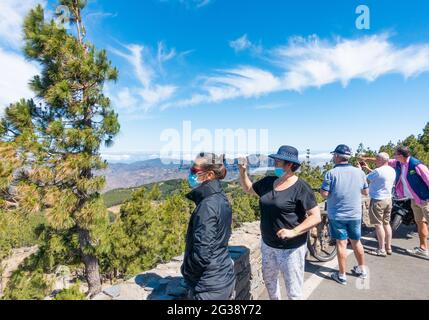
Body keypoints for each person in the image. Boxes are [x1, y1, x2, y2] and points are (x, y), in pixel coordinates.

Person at [238, 146, 321, 300]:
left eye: (278, 160)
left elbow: (315, 216)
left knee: (293, 291)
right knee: (270, 283)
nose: (274, 163)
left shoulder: (301, 188)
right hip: (268, 244)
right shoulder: (269, 181)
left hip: (291, 248)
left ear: (289, 164)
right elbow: (248, 188)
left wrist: (294, 231)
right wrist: (243, 171)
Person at [181, 152, 236, 300]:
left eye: (194, 172)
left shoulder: (207, 206)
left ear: (210, 175)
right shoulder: (220, 198)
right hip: (222, 278)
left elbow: (202, 253)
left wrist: (187, 272)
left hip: (209, 287)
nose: (191, 175)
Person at [320, 145, 369, 285]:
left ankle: (342, 276)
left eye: (333, 155)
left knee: (341, 244)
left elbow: (324, 193)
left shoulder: (330, 173)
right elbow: (366, 192)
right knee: (356, 241)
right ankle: (362, 270)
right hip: (355, 214)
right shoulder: (359, 173)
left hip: (337, 214)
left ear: (336, 156)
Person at [387, 146, 429, 257]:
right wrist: (367, 159)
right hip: (414, 199)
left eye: (395, 154)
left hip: (426, 199)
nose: (394, 157)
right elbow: (385, 160)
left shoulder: (416, 165)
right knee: (420, 223)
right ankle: (423, 249)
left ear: (400, 155)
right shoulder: (399, 164)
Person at [360, 153, 396, 257]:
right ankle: (388, 247)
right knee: (386, 224)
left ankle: (381, 249)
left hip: (378, 200)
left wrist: (361, 170)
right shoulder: (391, 170)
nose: (375, 160)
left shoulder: (378, 171)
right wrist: (368, 168)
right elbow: (379, 177)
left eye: (376, 159)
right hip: (388, 199)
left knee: (378, 225)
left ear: (381, 160)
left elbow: (364, 180)